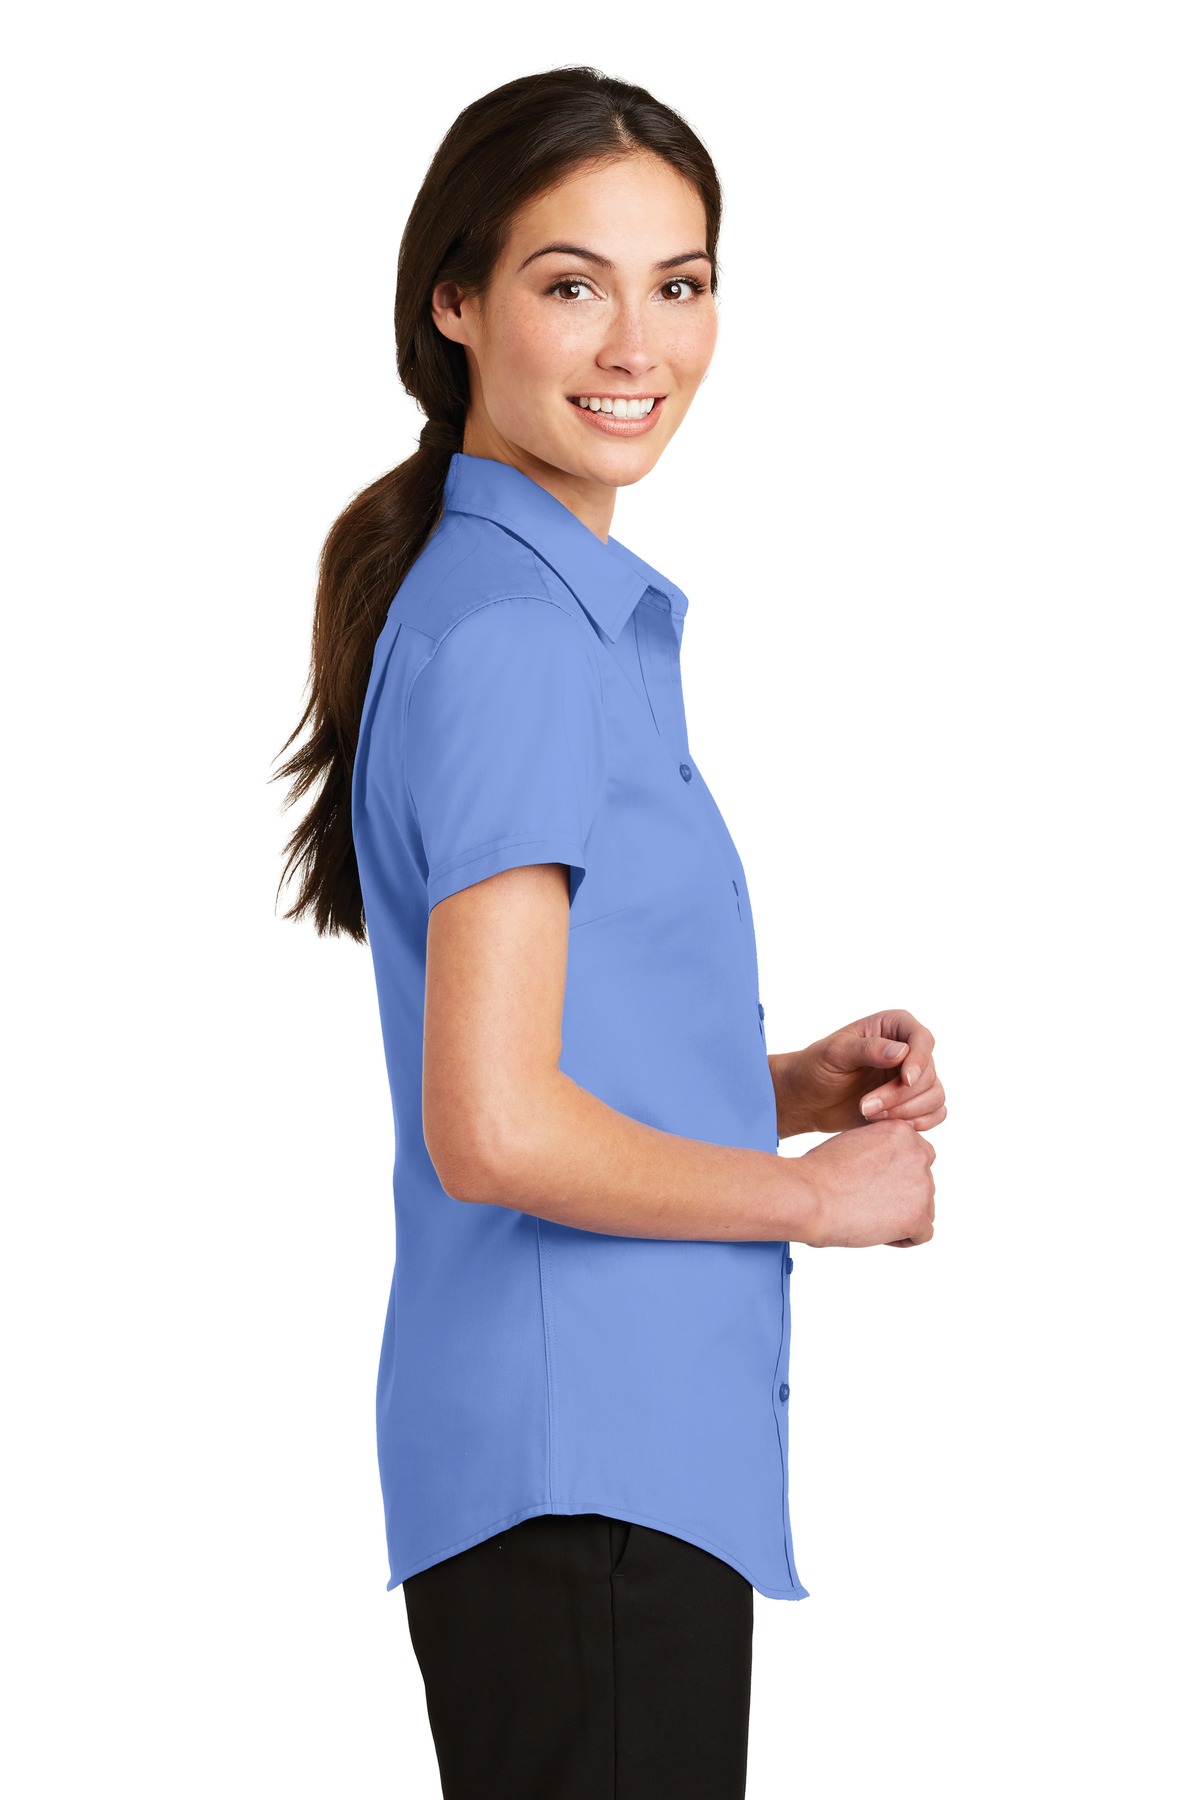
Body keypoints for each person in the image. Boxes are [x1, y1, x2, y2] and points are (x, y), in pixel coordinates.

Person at [275, 64, 944, 1800]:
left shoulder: (524, 608)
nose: (638, 345)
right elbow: (494, 1127)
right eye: (572, 285)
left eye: (681, 283)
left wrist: (772, 1085)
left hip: (591, 1474)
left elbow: (528, 1054)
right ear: (455, 302)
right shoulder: (517, 637)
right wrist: (819, 1198)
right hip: (589, 1481)